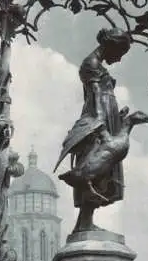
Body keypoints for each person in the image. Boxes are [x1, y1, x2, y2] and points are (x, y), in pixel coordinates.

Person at [55, 27, 132, 232]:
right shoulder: (92, 64)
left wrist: (117, 116)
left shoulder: (97, 64)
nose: (119, 59)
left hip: (108, 116)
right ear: (111, 47)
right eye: (120, 54)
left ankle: (84, 222)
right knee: (96, 166)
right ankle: (85, 223)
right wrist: (100, 124)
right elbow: (95, 94)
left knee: (102, 170)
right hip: (100, 117)